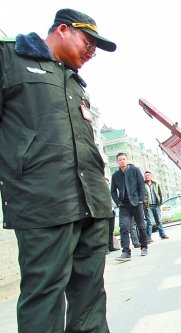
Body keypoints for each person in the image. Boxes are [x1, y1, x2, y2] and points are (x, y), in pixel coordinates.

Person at [0, 8, 116, 332]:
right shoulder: (10, 59)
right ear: (62, 29)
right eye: (88, 41)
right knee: (45, 298)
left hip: (91, 205)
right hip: (42, 205)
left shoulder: (75, 83)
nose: (92, 51)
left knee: (91, 298)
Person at [110, 152, 149, 261]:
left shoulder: (135, 170)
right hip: (124, 206)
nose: (122, 161)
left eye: (124, 159)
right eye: (120, 159)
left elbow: (141, 185)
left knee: (141, 225)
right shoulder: (115, 176)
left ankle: (144, 247)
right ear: (117, 162)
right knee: (124, 227)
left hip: (136, 203)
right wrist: (118, 202)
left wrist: (141, 200)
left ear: (127, 160)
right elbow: (112, 191)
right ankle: (126, 252)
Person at [144, 171, 169, 241]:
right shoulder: (142, 185)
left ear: (151, 176)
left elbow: (160, 194)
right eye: (145, 176)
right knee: (149, 222)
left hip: (156, 205)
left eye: (148, 175)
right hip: (148, 206)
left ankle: (162, 234)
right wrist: (144, 205)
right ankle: (148, 237)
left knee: (158, 220)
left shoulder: (156, 184)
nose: (146, 177)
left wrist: (160, 203)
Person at [105, 178, 119, 253]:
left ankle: (111, 246)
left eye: (107, 183)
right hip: (104, 213)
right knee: (105, 231)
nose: (106, 185)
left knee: (111, 230)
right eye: (105, 183)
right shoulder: (101, 192)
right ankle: (106, 248)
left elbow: (114, 201)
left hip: (112, 211)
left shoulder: (111, 192)